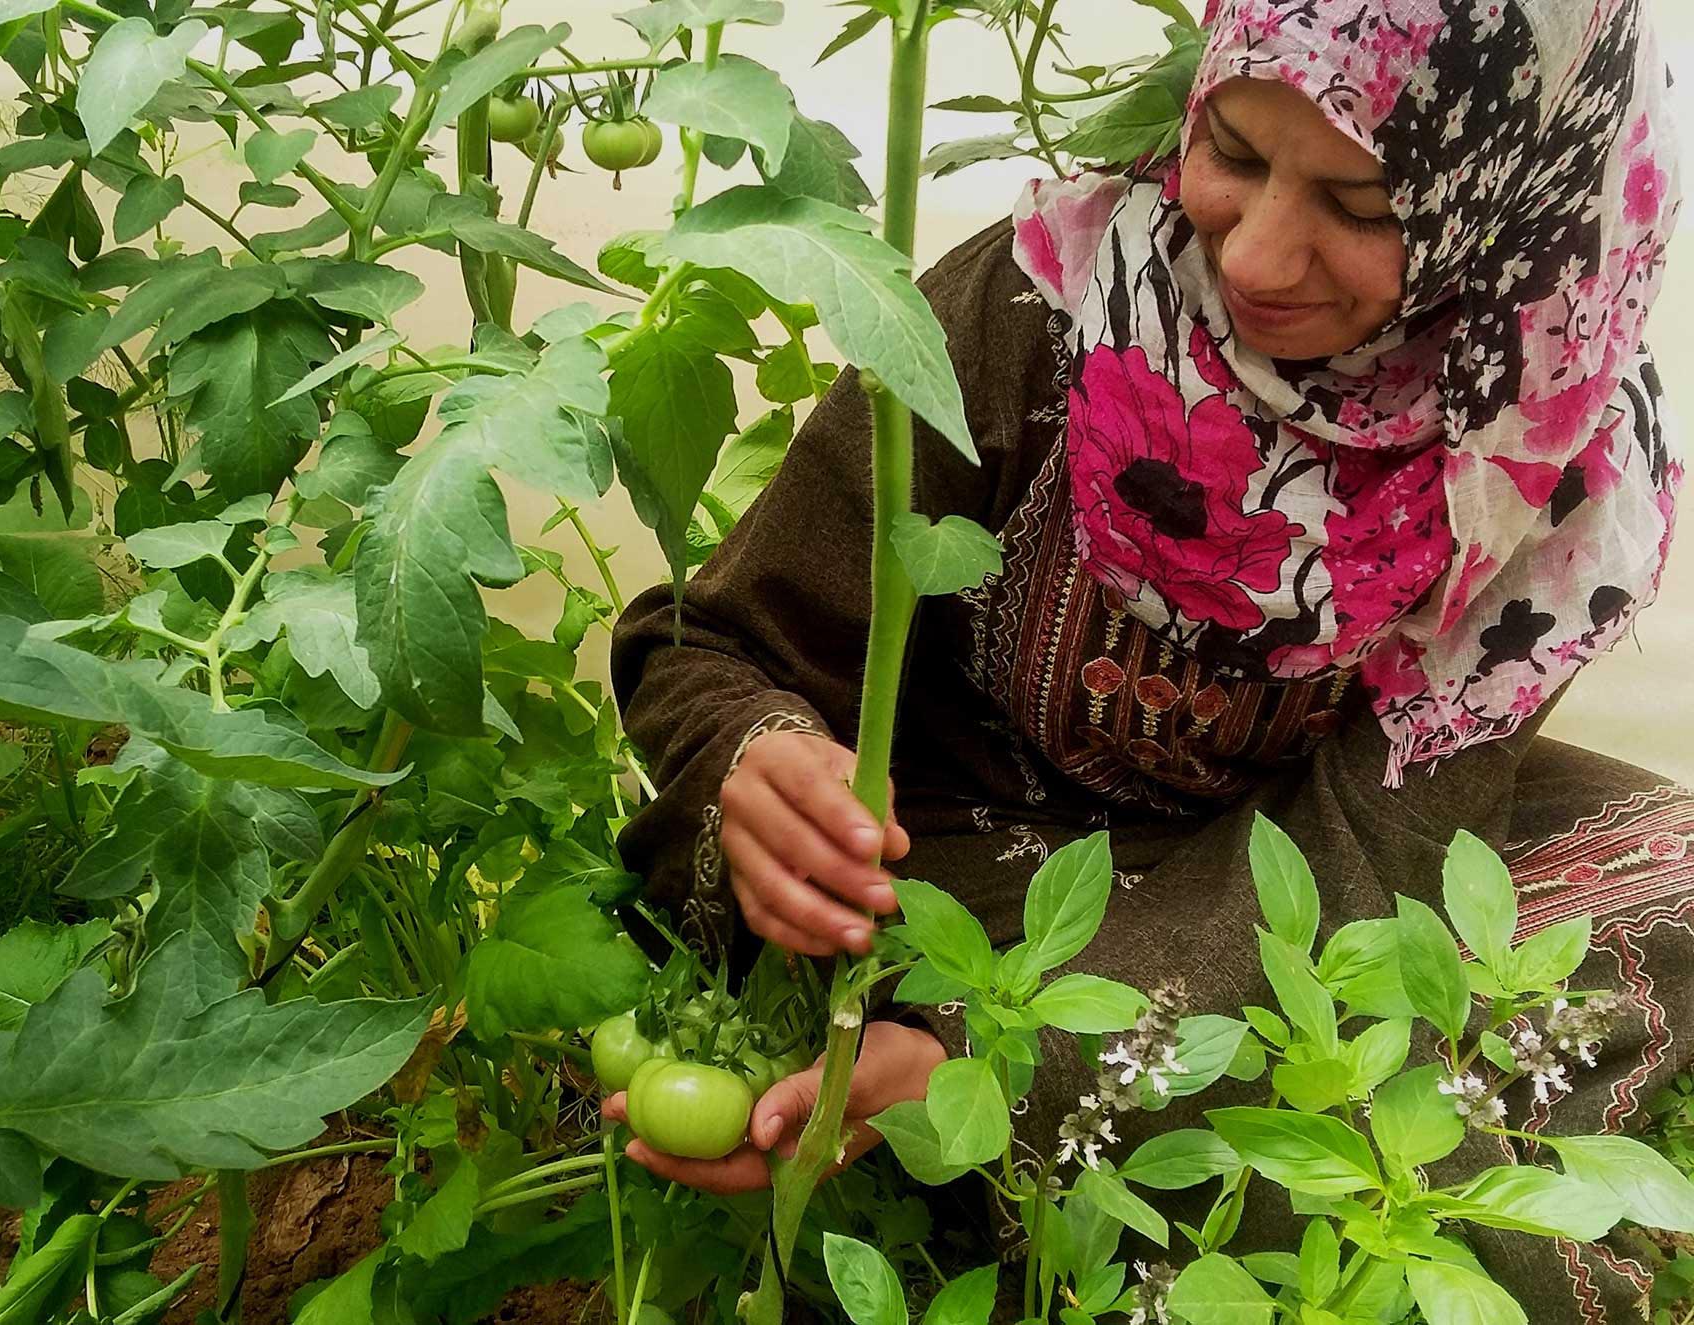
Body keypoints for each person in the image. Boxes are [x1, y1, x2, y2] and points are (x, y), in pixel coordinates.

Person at [606, 0, 1693, 1317]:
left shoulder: (1528, 462)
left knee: (1667, 875)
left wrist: (998, 1069)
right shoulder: (1041, 307)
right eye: (1232, 148)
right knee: (1376, 1200)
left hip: (1284, 896)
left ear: (1509, 202)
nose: (1259, 257)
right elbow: (710, 645)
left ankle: (1013, 1136)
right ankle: (1003, 1134)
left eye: (1361, 204)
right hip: (964, 877)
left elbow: (1374, 862)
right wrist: (758, 759)